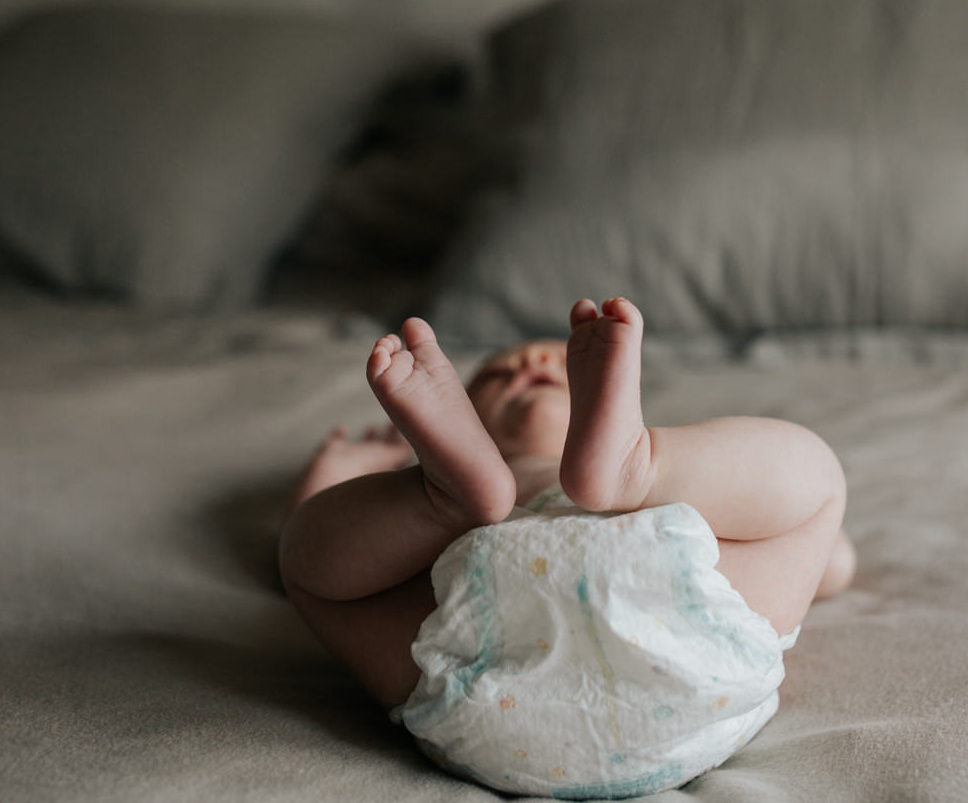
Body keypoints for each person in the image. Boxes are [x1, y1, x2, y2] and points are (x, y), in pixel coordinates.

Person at [279, 296, 855, 793]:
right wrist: (805, 539)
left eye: (556, 365)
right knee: (819, 480)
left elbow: (328, 563)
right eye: (499, 375)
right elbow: (830, 563)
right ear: (463, 423)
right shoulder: (681, 510)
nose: (526, 363)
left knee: (305, 567)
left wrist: (331, 480)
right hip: (693, 675)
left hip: (484, 705)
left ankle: (455, 495)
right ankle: (631, 466)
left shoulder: (688, 494)